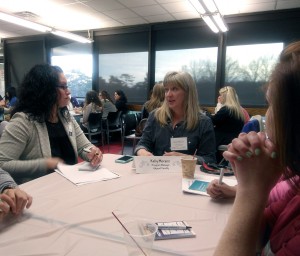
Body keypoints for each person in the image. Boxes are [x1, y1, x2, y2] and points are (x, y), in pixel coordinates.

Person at [214, 41, 300, 255]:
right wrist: (251, 185)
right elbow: (260, 231)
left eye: (271, 104)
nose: (266, 115)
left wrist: (249, 191)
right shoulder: (295, 184)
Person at [0, 64, 103, 184]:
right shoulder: (23, 121)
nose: (68, 91)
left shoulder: (66, 117)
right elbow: (2, 163)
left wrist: (92, 152)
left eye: (67, 86)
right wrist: (44, 164)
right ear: (46, 90)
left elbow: (83, 146)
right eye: (63, 87)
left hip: (71, 184)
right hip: (39, 192)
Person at [134, 71, 216, 164]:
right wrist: (143, 152)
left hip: (187, 175)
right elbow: (142, 144)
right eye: (166, 89)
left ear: (188, 92)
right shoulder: (155, 116)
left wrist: (185, 158)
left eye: (175, 89)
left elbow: (210, 159)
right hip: (158, 173)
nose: (168, 94)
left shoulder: (203, 122)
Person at [210, 86, 246, 162]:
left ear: (226, 97)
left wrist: (206, 114)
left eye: (221, 95)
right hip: (232, 139)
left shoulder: (227, 109)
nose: (219, 97)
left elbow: (213, 121)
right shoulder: (238, 110)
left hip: (222, 140)